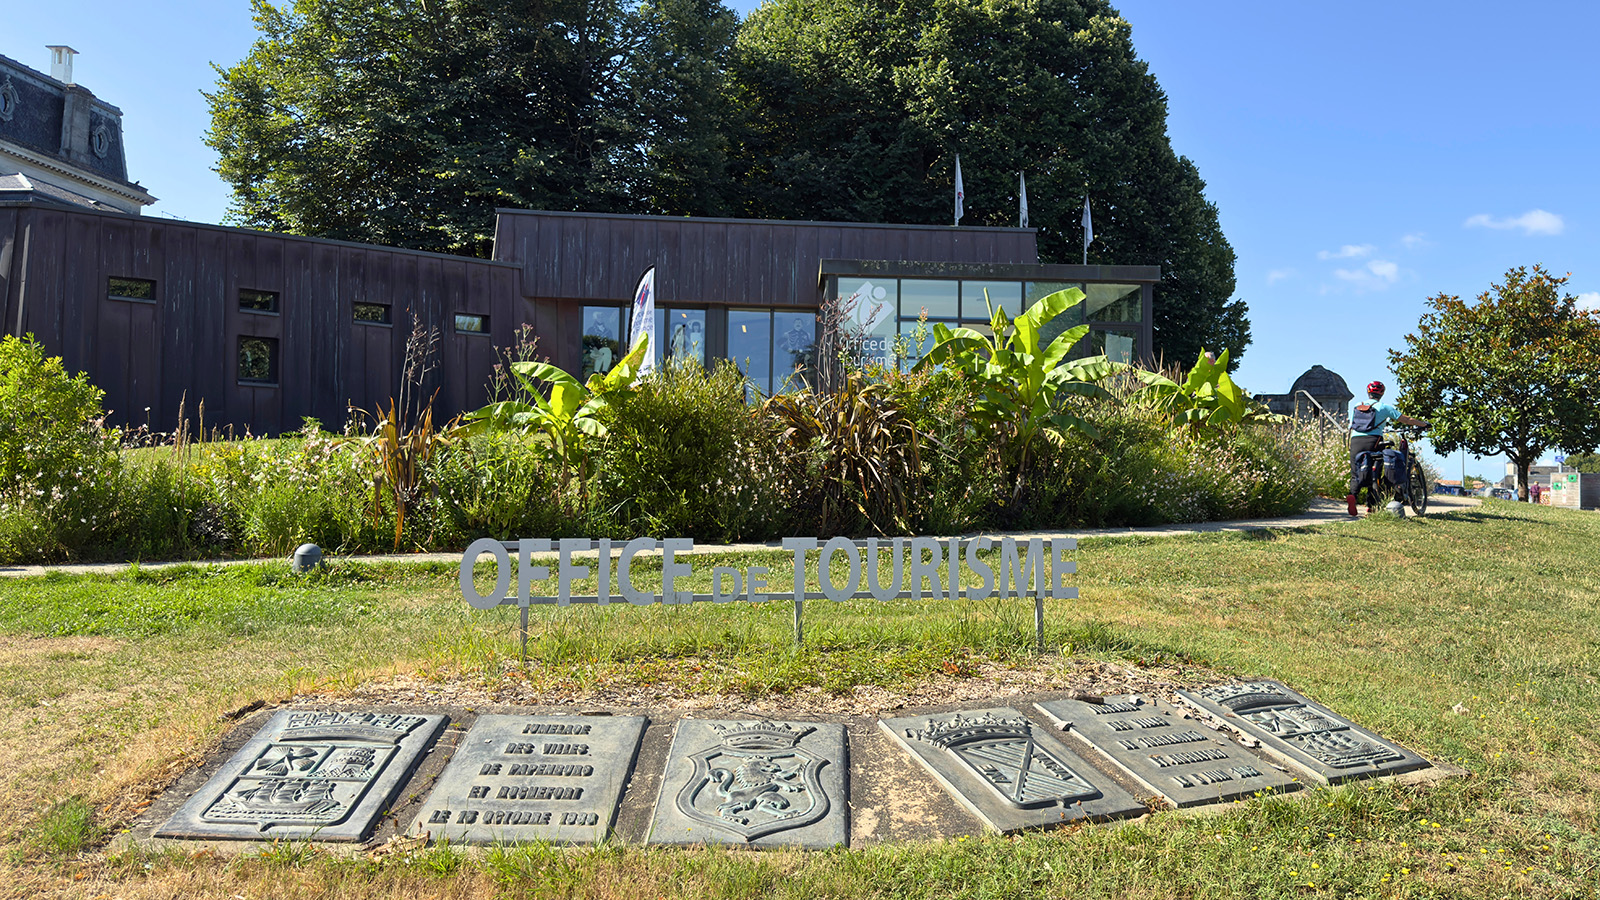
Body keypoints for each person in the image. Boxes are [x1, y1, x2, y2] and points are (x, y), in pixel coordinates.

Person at [1348, 380, 1429, 516]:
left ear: (1368, 392)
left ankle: (1353, 496)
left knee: (1356, 471)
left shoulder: (1357, 405)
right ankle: (1371, 505)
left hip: (1355, 440)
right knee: (1376, 469)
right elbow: (1405, 419)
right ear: (1382, 393)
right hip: (1373, 440)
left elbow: (1353, 423)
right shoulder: (1384, 407)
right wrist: (1423, 424)